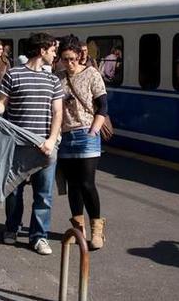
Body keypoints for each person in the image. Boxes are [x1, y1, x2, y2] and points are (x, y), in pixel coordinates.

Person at [0, 32, 63, 256]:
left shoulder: (53, 80)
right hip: (17, 145)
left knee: (44, 194)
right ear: (42, 51)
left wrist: (51, 140)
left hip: (45, 146)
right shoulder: (13, 75)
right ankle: (11, 228)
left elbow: (57, 112)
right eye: (52, 50)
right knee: (13, 191)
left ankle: (39, 237)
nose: (54, 55)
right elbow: (2, 104)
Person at [56, 37, 108, 250]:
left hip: (86, 135)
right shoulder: (58, 77)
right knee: (73, 186)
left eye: (71, 59)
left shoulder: (91, 74)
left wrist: (93, 130)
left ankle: (97, 229)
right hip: (66, 136)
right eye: (64, 59)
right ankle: (79, 228)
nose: (68, 63)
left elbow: (103, 106)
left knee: (87, 183)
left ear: (79, 55)